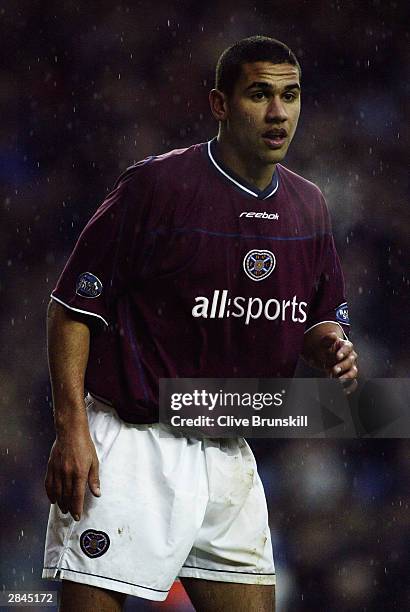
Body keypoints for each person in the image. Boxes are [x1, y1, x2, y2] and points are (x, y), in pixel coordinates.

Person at [42, 36, 358, 611]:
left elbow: (315, 319)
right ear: (219, 104)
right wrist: (71, 430)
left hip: (228, 443)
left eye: (290, 96)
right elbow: (72, 309)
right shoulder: (157, 187)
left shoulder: (309, 207)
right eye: (259, 94)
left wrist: (330, 344)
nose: (277, 112)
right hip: (136, 443)